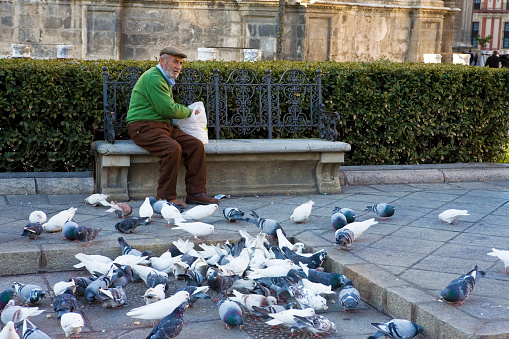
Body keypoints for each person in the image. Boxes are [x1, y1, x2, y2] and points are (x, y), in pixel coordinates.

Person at [126, 47, 219, 208]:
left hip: (162, 126)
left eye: (181, 63)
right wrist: (189, 112)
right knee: (172, 149)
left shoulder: (162, 79)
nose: (178, 66)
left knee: (195, 145)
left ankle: (196, 193)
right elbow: (167, 109)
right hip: (143, 127)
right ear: (163, 60)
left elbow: (165, 110)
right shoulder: (154, 78)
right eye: (175, 61)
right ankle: (166, 198)